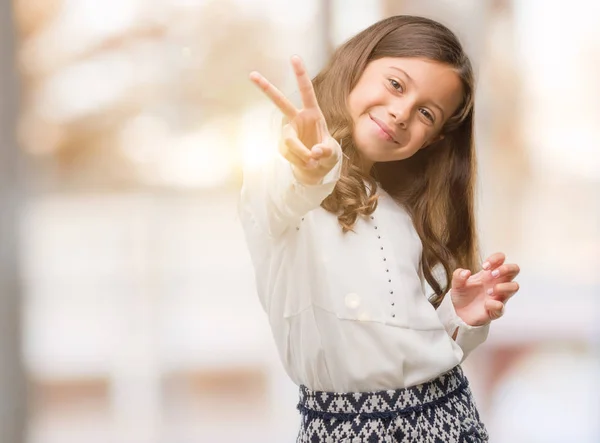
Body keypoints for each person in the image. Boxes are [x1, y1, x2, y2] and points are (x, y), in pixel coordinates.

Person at [239, 15, 520, 442]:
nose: (401, 112)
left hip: (450, 418)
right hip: (344, 428)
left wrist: (456, 318)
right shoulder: (280, 182)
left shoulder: (399, 213)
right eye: (396, 84)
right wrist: (312, 166)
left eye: (427, 112)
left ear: (432, 141)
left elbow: (405, 349)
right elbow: (288, 188)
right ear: (356, 66)